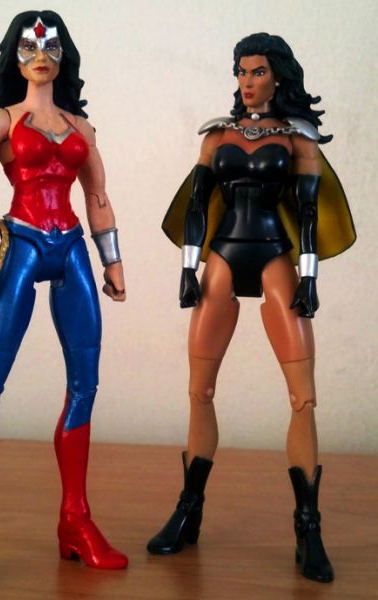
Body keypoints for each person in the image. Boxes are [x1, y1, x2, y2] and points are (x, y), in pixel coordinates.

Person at [147, 32, 355, 583]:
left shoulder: (297, 136)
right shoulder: (217, 134)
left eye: (257, 71)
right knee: (199, 390)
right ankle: (188, 509)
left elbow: (308, 213)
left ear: (277, 76)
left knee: (303, 397)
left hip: (273, 253)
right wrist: (187, 267)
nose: (247, 81)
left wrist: (310, 277)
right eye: (241, 71)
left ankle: (308, 525)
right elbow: (197, 203)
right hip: (222, 254)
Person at [0, 10, 128, 591]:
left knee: (85, 385)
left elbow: (97, 194)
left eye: (50, 45)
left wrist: (112, 260)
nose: (40, 54)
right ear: (15, 54)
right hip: (23, 241)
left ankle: (75, 520)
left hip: (70, 243)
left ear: (63, 53)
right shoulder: (0, 120)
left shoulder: (81, 126)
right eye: (29, 45)